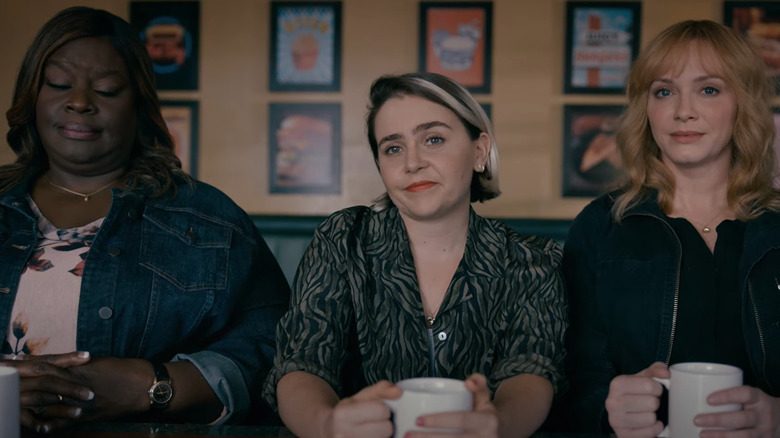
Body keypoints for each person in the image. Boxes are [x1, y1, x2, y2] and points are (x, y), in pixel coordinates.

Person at [0, 6, 290, 434]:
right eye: (59, 84)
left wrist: (148, 386)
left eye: (108, 89)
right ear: (32, 96)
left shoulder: (208, 218)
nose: (79, 102)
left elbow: (274, 354)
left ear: (138, 104)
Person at [263, 72, 567, 438]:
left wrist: (500, 424)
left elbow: (531, 370)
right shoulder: (343, 239)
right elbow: (303, 362)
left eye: (433, 139)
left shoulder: (531, 260)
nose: (412, 163)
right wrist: (326, 424)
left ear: (479, 151)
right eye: (393, 148)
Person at [559, 20, 780, 436]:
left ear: (743, 103)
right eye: (664, 91)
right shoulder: (601, 226)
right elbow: (569, 379)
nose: (683, 110)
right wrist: (606, 412)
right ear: (647, 108)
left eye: (709, 89)